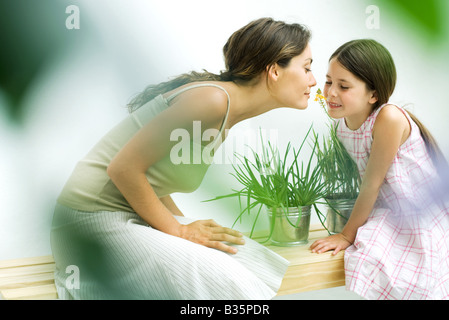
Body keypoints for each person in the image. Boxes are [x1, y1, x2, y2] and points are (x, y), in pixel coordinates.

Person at [51, 17, 317, 299]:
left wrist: (184, 225)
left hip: (125, 215)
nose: (313, 80)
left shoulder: (222, 111)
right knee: (229, 282)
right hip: (90, 223)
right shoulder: (211, 101)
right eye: (307, 68)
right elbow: (123, 169)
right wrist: (179, 230)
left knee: (248, 259)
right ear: (274, 70)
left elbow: (152, 178)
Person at [310, 39, 449, 300]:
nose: (330, 93)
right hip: (385, 208)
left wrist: (345, 235)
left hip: (417, 213)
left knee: (381, 257)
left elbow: (371, 183)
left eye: (344, 86)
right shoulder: (342, 125)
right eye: (329, 81)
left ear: (373, 95)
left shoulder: (389, 118)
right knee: (372, 248)